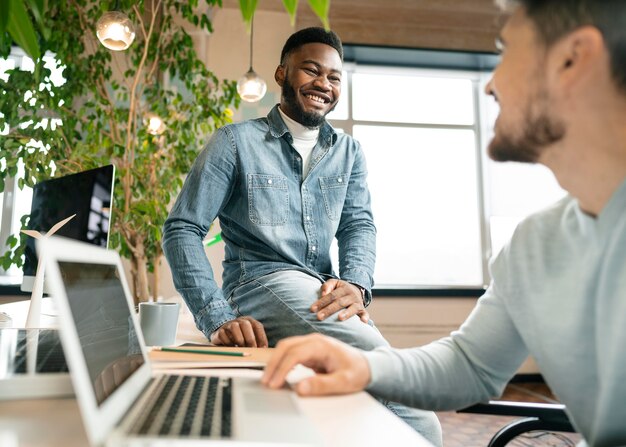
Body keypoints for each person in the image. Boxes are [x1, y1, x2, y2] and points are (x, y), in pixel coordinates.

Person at [261, 1, 626, 446]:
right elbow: (470, 364)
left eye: (505, 50)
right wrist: (359, 364)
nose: (490, 84)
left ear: (573, 59)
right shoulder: (535, 245)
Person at [162, 27, 442, 444]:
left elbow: (358, 225)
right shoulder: (234, 142)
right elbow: (182, 227)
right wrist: (216, 317)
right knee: (415, 413)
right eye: (311, 71)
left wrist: (357, 283)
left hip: (319, 289)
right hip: (260, 282)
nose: (323, 84)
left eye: (333, 78)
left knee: (352, 410)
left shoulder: (349, 152)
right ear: (281, 74)